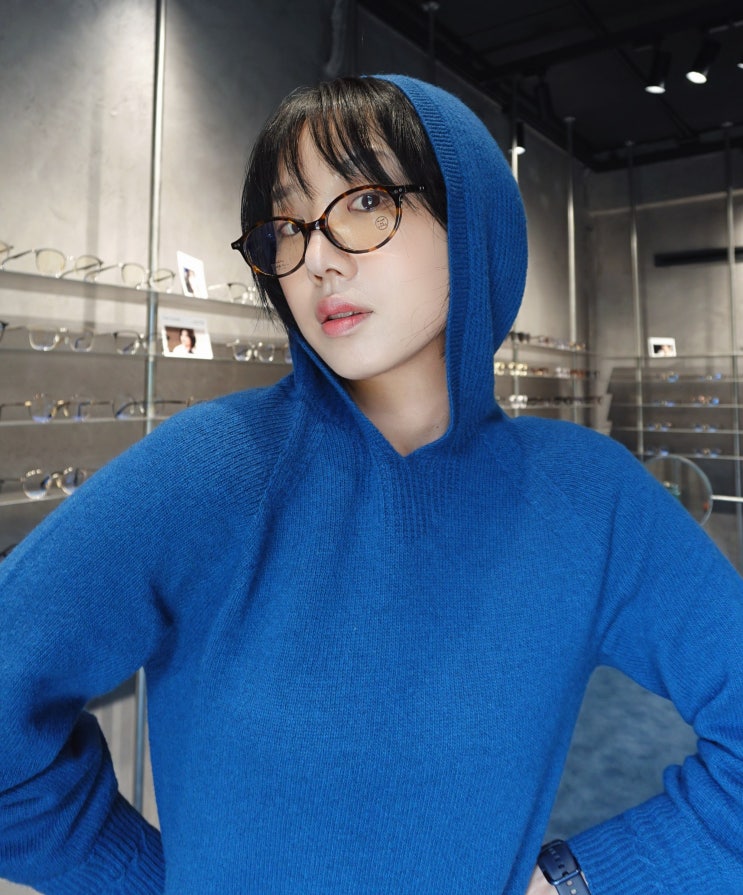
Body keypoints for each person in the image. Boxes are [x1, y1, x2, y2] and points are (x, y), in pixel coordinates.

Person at [1, 74, 742, 895]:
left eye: (362, 201)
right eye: (287, 224)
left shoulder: (584, 497)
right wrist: (148, 880)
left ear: (471, 219)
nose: (317, 257)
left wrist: (580, 883)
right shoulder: (210, 469)